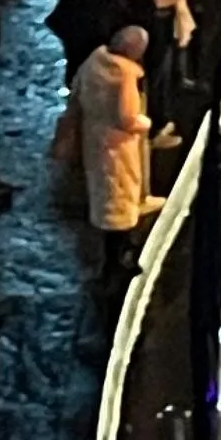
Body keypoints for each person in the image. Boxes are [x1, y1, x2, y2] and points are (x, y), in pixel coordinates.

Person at [72, 24, 159, 322]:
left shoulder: (93, 63)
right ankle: (118, 263)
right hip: (117, 148)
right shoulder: (124, 76)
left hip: (94, 141)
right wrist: (145, 123)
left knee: (104, 196)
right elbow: (127, 118)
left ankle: (112, 261)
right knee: (119, 202)